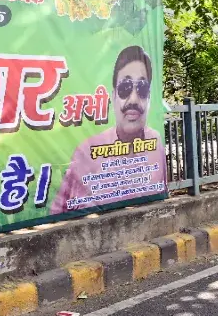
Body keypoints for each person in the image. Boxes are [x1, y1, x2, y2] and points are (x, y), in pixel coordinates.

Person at [50, 46, 166, 215]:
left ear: (149, 98)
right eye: (125, 88)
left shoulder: (155, 141)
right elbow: (57, 213)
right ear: (113, 96)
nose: (133, 99)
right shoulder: (88, 151)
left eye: (142, 89)